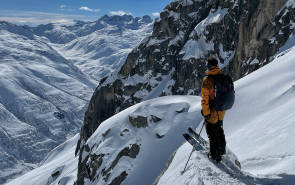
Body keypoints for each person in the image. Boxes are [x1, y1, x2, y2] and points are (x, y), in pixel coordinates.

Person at [201, 57, 226, 163]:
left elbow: (205, 100)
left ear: (210, 66)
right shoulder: (222, 77)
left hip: (212, 111)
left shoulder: (207, 80)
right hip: (222, 110)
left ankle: (215, 156)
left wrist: (206, 113)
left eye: (207, 65)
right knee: (219, 129)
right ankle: (221, 150)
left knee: (212, 132)